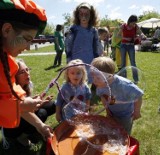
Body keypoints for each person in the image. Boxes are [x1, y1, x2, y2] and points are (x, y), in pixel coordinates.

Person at [0, 0, 53, 140]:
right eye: (27, 39)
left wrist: (40, 126)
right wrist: (22, 105)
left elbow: (11, 99)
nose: (28, 47)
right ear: (7, 30)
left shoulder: (7, 62)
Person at [3, 59, 56, 146]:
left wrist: (38, 101)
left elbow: (25, 107)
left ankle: (34, 129)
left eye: (27, 69)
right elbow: (22, 110)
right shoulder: (10, 91)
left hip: (23, 114)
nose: (27, 73)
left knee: (52, 105)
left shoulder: (29, 84)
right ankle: (21, 136)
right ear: (14, 76)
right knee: (42, 113)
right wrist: (38, 104)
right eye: (22, 72)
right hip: (11, 127)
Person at [91, 57, 144, 135]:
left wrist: (136, 111)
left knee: (124, 133)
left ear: (108, 76)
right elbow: (103, 97)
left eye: (97, 77)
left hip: (126, 115)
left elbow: (138, 95)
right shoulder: (99, 84)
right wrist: (108, 111)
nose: (94, 80)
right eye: (93, 77)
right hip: (112, 113)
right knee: (113, 131)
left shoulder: (124, 85)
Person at [118, 15, 146, 83]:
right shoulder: (123, 26)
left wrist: (142, 35)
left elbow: (140, 33)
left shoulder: (136, 26)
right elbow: (118, 35)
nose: (134, 24)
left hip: (131, 46)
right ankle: (124, 79)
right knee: (123, 63)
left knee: (133, 63)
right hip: (123, 45)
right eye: (133, 23)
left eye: (135, 23)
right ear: (129, 21)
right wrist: (124, 38)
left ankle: (136, 80)